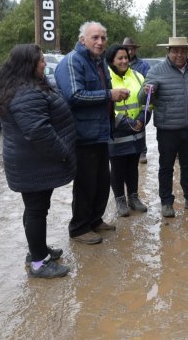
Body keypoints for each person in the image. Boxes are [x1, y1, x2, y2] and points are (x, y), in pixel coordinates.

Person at [0, 44, 76, 278]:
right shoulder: (25, 93)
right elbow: (38, 131)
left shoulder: (21, 85)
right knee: (37, 210)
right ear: (28, 64)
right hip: (33, 163)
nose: (44, 63)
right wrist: (63, 151)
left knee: (36, 208)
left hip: (33, 162)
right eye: (40, 60)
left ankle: (37, 249)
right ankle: (38, 262)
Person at [55, 21, 129, 245]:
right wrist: (109, 95)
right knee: (86, 183)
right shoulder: (72, 61)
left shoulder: (98, 63)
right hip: (81, 135)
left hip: (100, 133)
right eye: (95, 37)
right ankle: (78, 228)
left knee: (100, 180)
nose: (100, 42)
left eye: (103, 38)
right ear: (82, 40)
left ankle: (95, 220)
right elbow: (74, 95)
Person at [139, 36, 188, 218]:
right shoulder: (156, 71)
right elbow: (142, 99)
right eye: (175, 51)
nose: (180, 54)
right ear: (168, 52)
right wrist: (146, 92)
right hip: (167, 129)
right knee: (166, 167)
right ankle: (166, 202)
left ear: (187, 52)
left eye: (183, 51)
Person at [105, 44, 151, 217]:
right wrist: (125, 122)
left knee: (133, 166)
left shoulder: (138, 76)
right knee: (117, 167)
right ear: (112, 60)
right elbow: (106, 104)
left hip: (137, 131)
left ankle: (134, 197)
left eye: (126, 57)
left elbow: (147, 102)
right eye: (120, 58)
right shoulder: (105, 78)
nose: (124, 61)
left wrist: (141, 119)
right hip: (116, 132)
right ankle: (120, 199)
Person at [122, 37, 150, 164]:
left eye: (132, 49)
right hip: (122, 101)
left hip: (140, 101)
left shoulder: (143, 65)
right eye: (127, 49)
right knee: (123, 126)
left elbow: (148, 82)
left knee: (141, 126)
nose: (130, 52)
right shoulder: (118, 62)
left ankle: (142, 151)